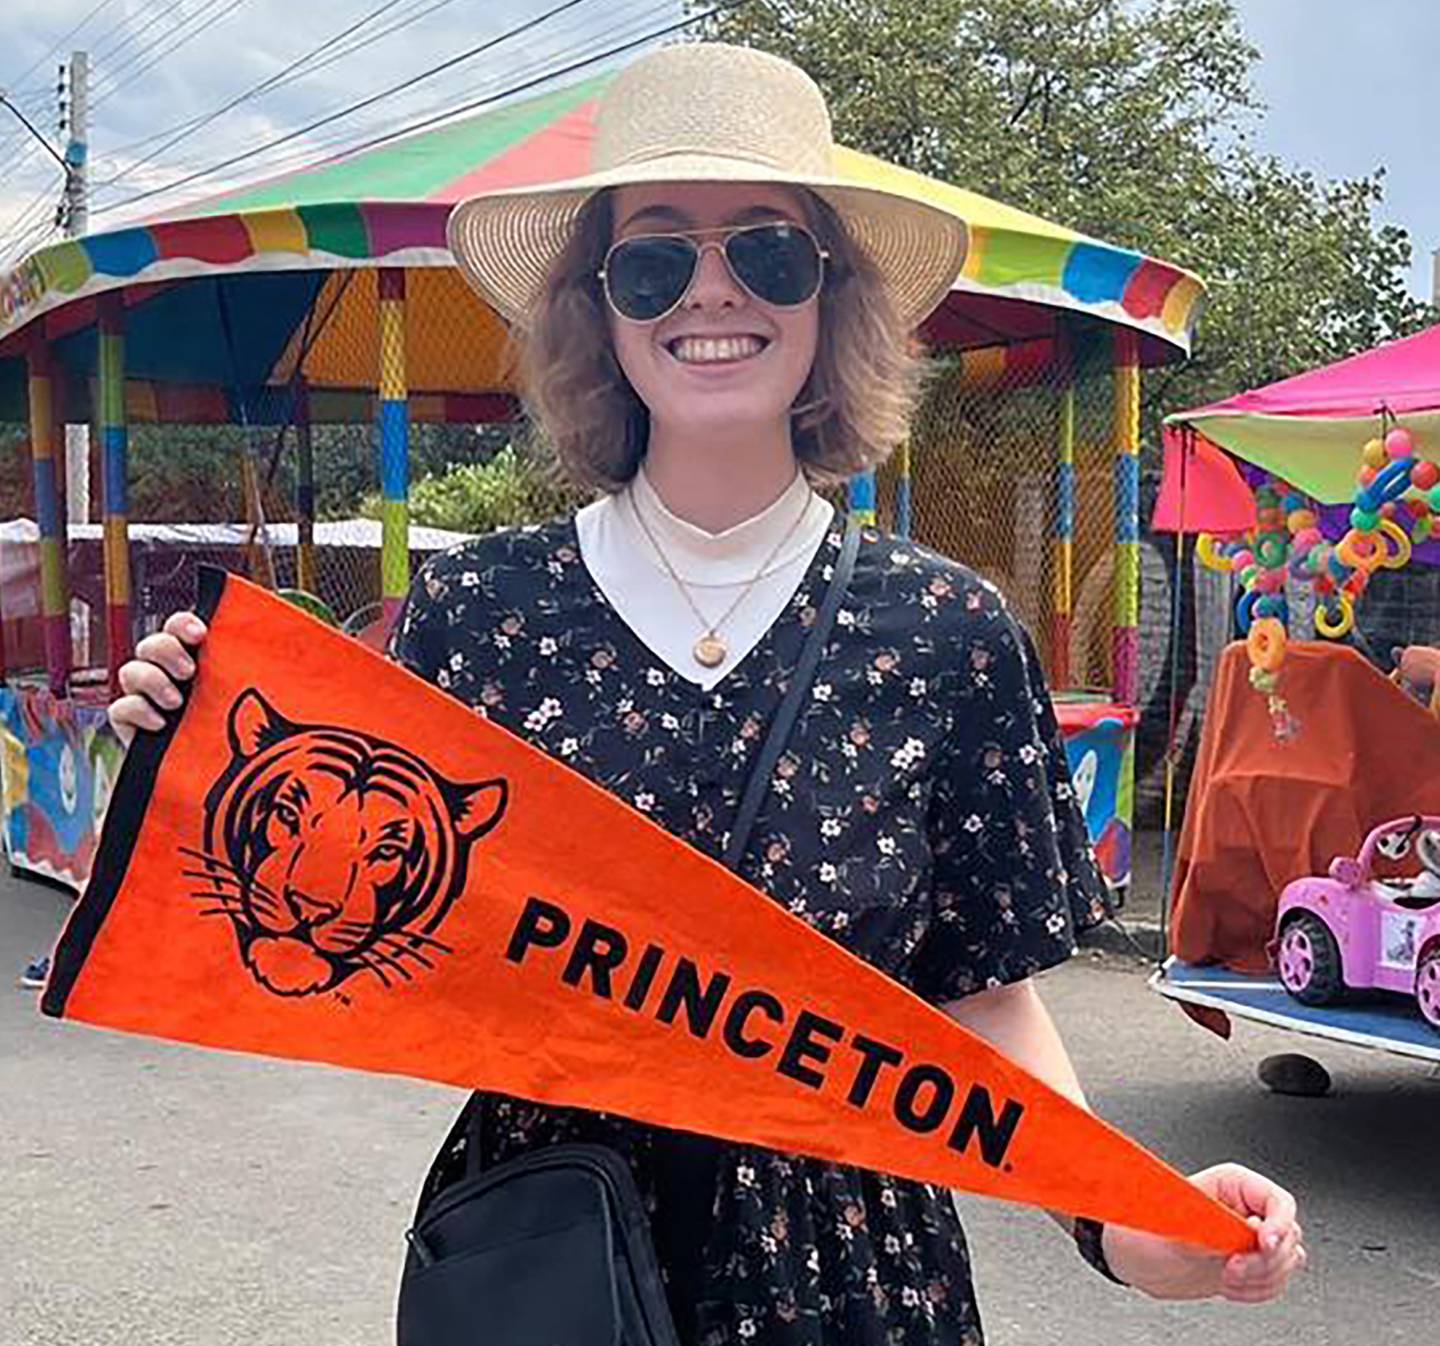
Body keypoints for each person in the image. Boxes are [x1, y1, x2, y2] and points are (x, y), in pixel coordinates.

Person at [108, 42, 1303, 1346]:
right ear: (600, 308)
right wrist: (182, 755)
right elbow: (359, 933)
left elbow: (981, 1002)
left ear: (832, 294)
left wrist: (1126, 1221)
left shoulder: (951, 636)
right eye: (656, 260)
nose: (713, 291)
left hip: (853, 1281)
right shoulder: (482, 615)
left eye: (769, 252)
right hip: (552, 1256)